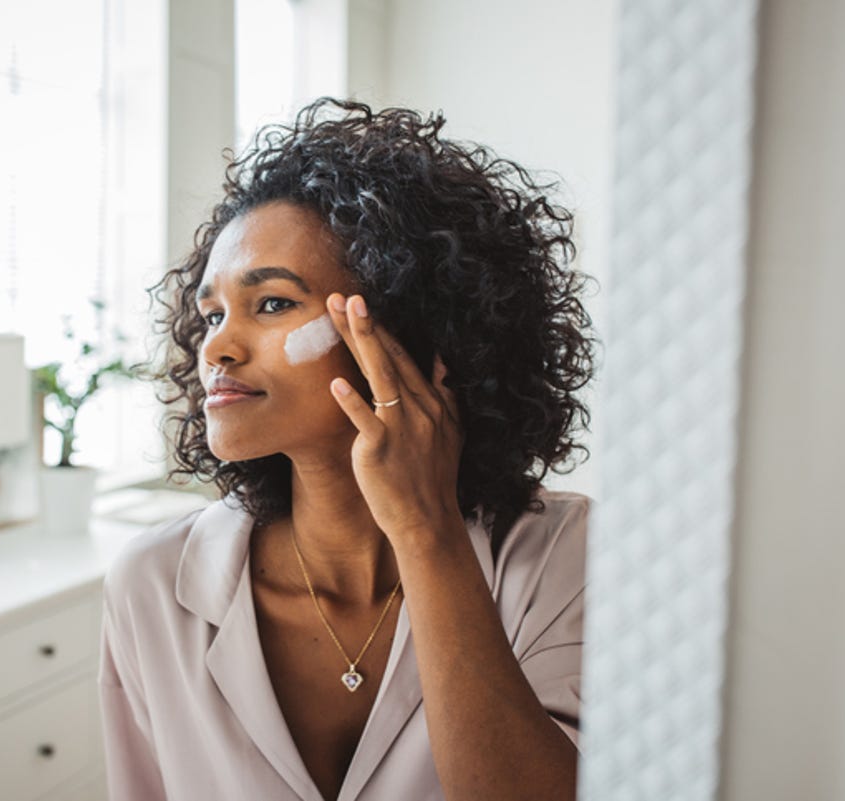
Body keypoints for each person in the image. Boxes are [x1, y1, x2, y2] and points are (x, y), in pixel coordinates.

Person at [98, 97, 599, 801]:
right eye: (211, 313)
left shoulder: (562, 556)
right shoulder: (151, 583)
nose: (216, 345)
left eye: (271, 303)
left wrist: (426, 532)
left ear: (408, 323)